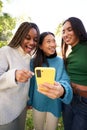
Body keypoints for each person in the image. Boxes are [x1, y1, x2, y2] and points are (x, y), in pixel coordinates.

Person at [27, 32, 73, 130]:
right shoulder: (33, 62)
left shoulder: (61, 62)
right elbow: (31, 84)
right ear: (40, 46)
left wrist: (62, 89)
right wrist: (30, 101)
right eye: (48, 41)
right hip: (38, 102)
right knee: (38, 127)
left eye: (53, 41)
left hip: (54, 103)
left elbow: (65, 80)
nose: (53, 44)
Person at [0, 21, 40, 130]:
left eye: (35, 40)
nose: (32, 42)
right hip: (5, 113)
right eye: (27, 38)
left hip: (21, 109)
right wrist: (14, 75)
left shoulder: (28, 58)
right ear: (19, 36)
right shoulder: (5, 51)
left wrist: (27, 100)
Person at [61, 17, 87, 130]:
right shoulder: (70, 55)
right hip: (68, 98)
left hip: (84, 102)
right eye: (63, 31)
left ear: (78, 29)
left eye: (69, 29)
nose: (65, 34)